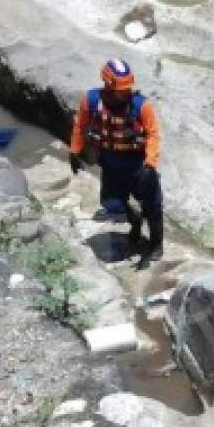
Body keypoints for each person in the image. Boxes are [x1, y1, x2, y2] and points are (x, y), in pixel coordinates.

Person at [69, 59, 164, 270]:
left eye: (127, 88)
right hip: (110, 160)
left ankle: (156, 244)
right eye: (121, 89)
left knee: (153, 206)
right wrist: (75, 151)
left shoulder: (142, 106)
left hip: (137, 163)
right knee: (113, 202)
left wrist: (150, 165)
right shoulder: (91, 100)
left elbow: (153, 136)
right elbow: (80, 126)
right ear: (108, 85)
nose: (125, 93)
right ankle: (135, 223)